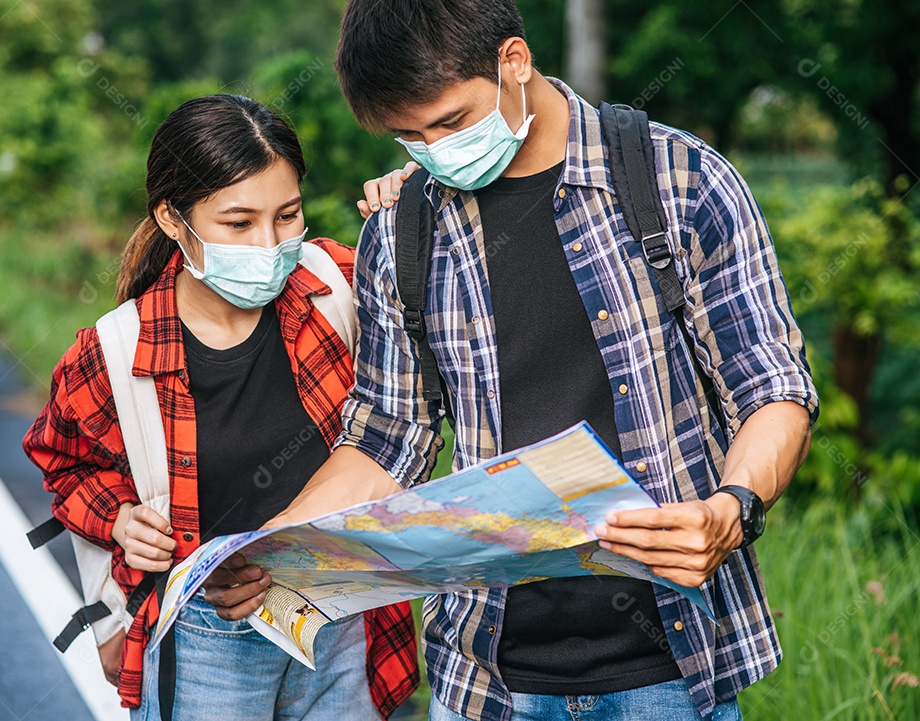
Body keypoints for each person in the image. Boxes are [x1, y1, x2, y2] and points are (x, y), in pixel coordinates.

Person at [211, 2, 820, 720]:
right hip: (487, 677)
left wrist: (732, 506)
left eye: (451, 122)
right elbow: (384, 437)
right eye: (408, 135)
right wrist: (274, 546)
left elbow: (771, 387)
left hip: (669, 668)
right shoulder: (402, 233)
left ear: (514, 61)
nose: (434, 150)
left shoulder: (679, 180)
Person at [22, 94, 419, 720]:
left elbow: (439, 326)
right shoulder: (114, 352)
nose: (269, 244)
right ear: (175, 221)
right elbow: (66, 463)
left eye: (288, 215)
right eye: (239, 223)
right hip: (207, 640)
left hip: (338, 616)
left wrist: (416, 205)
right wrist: (121, 520)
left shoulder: (339, 286)